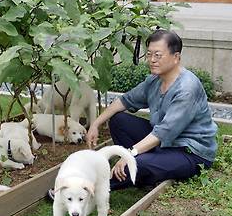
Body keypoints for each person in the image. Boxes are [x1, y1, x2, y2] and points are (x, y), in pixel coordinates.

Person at [86, 29, 217, 190]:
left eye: (158, 55)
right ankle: (148, 173)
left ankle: (84, 189)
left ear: (176, 57)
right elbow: (125, 100)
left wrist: (130, 154)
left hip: (189, 153)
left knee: (136, 163)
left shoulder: (186, 89)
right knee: (119, 120)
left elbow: (164, 132)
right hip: (164, 144)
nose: (152, 60)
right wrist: (96, 124)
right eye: (149, 54)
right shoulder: (155, 81)